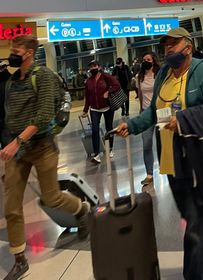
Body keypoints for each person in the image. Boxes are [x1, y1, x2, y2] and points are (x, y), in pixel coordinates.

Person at [116, 27, 203, 280]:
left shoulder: (202, 71)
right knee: (189, 212)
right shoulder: (164, 75)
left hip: (199, 155)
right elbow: (154, 111)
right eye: (165, 45)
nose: (168, 49)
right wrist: (132, 125)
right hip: (171, 156)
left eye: (173, 44)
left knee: (194, 225)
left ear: (188, 47)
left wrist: (183, 119)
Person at [0, 35, 90, 280]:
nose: (12, 53)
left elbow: (43, 116)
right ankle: (20, 260)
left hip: (42, 146)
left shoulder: (44, 76)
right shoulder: (11, 82)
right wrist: (9, 146)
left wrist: (17, 140)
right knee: (12, 206)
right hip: (18, 151)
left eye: (16, 49)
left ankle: (82, 210)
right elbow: (8, 117)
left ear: (29, 52)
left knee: (52, 197)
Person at [80, 60, 120, 164]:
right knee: (95, 130)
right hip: (94, 109)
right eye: (91, 67)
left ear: (99, 66)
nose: (93, 68)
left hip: (107, 107)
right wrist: (85, 110)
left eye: (95, 66)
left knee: (109, 128)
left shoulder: (105, 77)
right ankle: (97, 154)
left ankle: (110, 148)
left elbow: (116, 85)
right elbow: (87, 96)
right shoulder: (88, 81)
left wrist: (108, 92)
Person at [136, 51, 160, 186]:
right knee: (146, 144)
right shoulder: (139, 77)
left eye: (149, 59)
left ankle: (168, 168)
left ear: (153, 61)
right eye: (144, 59)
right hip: (146, 113)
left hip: (159, 111)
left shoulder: (159, 74)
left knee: (163, 142)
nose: (146, 61)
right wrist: (140, 111)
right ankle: (149, 174)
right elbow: (140, 94)